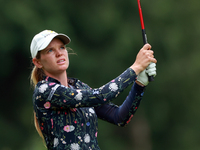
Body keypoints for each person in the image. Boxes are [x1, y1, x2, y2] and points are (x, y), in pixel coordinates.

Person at [30, 30, 157, 150]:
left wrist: (139, 84)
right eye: (50, 50)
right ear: (38, 62)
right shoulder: (44, 90)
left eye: (62, 47)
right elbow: (101, 96)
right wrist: (136, 67)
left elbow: (119, 117)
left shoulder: (79, 87)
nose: (59, 53)